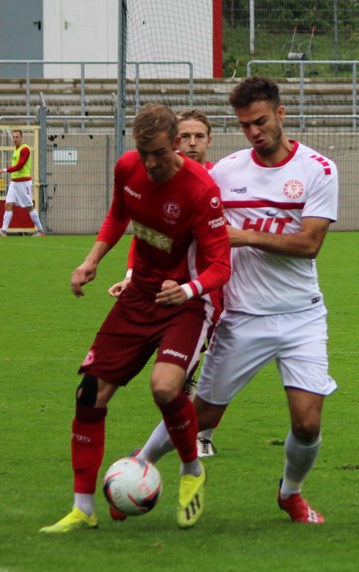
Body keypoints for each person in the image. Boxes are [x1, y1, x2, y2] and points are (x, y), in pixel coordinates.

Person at [135, 76, 338, 524]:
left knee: (307, 423)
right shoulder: (225, 173)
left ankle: (291, 493)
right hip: (244, 316)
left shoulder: (318, 169)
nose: (253, 132)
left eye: (260, 122)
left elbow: (309, 244)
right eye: (245, 125)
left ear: (280, 115)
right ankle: (138, 465)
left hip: (302, 316)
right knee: (201, 415)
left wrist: (243, 235)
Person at [39, 103, 231, 533]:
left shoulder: (201, 190)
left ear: (176, 144)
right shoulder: (128, 167)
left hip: (186, 302)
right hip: (140, 293)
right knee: (89, 394)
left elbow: (221, 266)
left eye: (159, 153)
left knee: (164, 387)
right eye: (144, 153)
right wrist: (92, 260)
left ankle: (191, 470)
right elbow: (118, 214)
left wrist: (186, 289)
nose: (151, 163)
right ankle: (82, 509)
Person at [107, 108, 220, 457]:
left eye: (199, 136)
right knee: (182, 373)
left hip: (217, 285)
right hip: (175, 290)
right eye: (185, 137)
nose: (191, 143)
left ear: (210, 140)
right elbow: (146, 235)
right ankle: (187, 441)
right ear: (174, 141)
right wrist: (131, 275)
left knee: (216, 366)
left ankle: (201, 435)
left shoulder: (219, 179)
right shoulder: (158, 178)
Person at [0, 129, 45, 236]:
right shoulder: (16, 150)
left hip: (23, 182)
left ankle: (40, 230)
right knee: (8, 205)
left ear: (21, 137)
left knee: (29, 206)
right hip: (14, 182)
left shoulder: (25, 149)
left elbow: (19, 166)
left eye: (17, 137)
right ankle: (3, 231)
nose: (15, 139)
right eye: (14, 137)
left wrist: (3, 170)